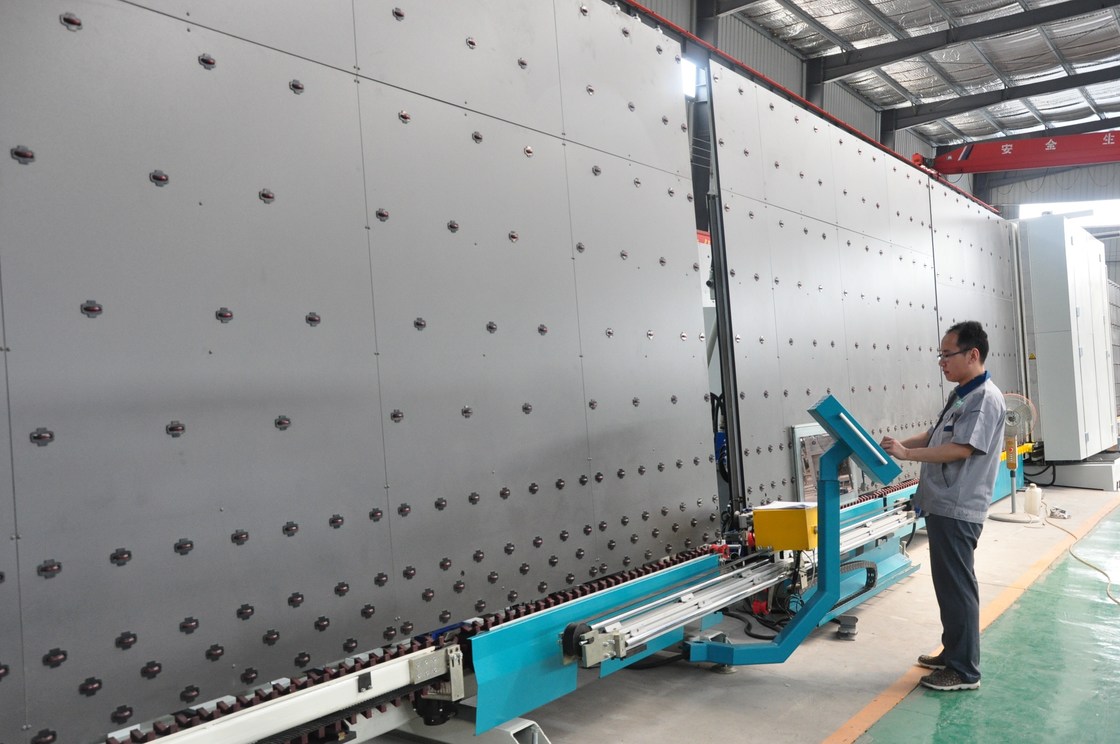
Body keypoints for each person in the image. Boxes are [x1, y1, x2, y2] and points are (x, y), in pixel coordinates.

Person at [880, 320, 1006, 691]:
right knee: (948, 587)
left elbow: (961, 448)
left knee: (957, 587)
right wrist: (897, 446)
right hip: (944, 504)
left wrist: (907, 454)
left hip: (958, 507)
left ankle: (964, 671)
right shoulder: (963, 394)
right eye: (940, 355)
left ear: (973, 354)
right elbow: (937, 435)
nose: (941, 362)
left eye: (947, 355)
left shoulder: (984, 399)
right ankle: (953, 653)